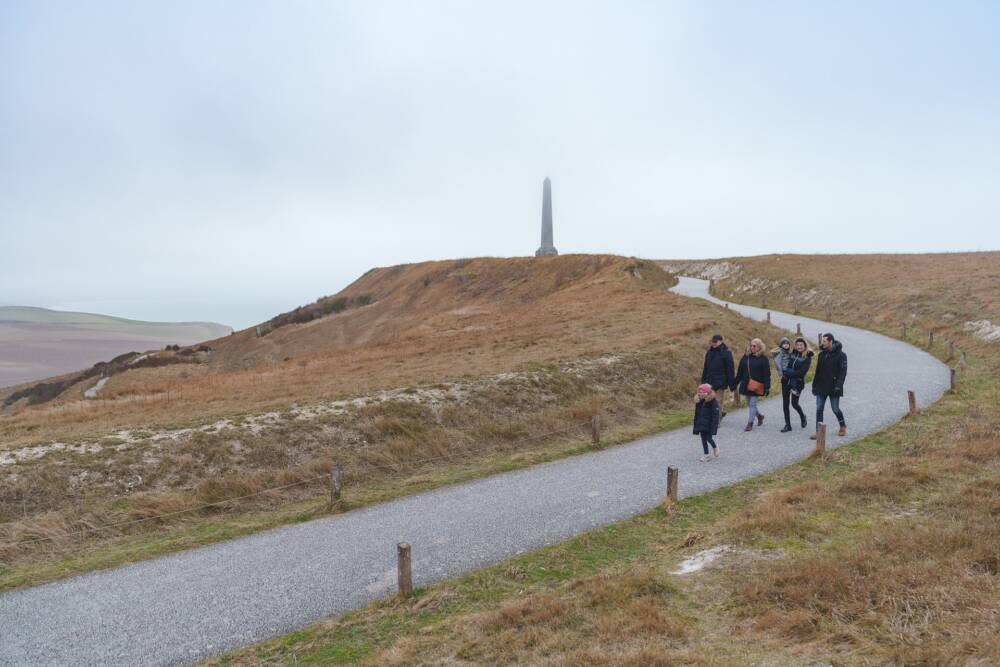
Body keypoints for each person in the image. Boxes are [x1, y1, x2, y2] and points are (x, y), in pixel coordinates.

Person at [811, 333, 848, 438]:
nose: (822, 343)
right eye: (822, 341)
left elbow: (843, 373)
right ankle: (819, 432)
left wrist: (838, 386)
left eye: (824, 341)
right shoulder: (821, 355)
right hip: (821, 386)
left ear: (831, 341)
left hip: (834, 387)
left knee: (835, 409)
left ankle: (843, 426)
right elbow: (817, 371)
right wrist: (814, 385)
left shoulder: (841, 355)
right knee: (819, 409)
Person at [735, 338, 772, 432]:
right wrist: (734, 383)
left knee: (752, 404)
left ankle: (750, 424)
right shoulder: (746, 356)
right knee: (750, 404)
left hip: (757, 385)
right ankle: (759, 416)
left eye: (754, 346)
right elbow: (740, 371)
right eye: (751, 345)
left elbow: (767, 374)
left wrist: (767, 387)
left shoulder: (763, 359)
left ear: (759, 347)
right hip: (746, 384)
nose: (752, 347)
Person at [781, 338, 813, 432]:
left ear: (805, 346)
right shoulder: (792, 354)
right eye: (797, 345)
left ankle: (803, 416)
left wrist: (788, 373)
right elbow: (782, 358)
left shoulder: (807, 357)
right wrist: (784, 373)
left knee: (794, 404)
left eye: (801, 345)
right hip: (786, 381)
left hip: (797, 383)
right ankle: (788, 425)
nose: (799, 347)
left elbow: (802, 372)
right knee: (785, 404)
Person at [700, 334, 735, 419]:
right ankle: (720, 413)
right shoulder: (709, 352)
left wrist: (731, 384)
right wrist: (703, 381)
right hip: (709, 381)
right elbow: (706, 368)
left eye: (715, 342)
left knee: (718, 401)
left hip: (720, 382)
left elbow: (730, 369)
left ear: (721, 341)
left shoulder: (726, 353)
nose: (714, 343)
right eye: (712, 342)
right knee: (709, 401)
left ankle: (716, 420)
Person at [692, 383, 720, 461]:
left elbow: (715, 415)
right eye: (699, 393)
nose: (700, 395)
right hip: (701, 424)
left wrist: (714, 427)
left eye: (702, 393)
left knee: (709, 438)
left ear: (706, 393)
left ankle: (715, 446)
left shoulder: (713, 402)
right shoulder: (699, 402)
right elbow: (697, 413)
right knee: (703, 439)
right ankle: (706, 455)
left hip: (709, 424)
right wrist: (696, 423)